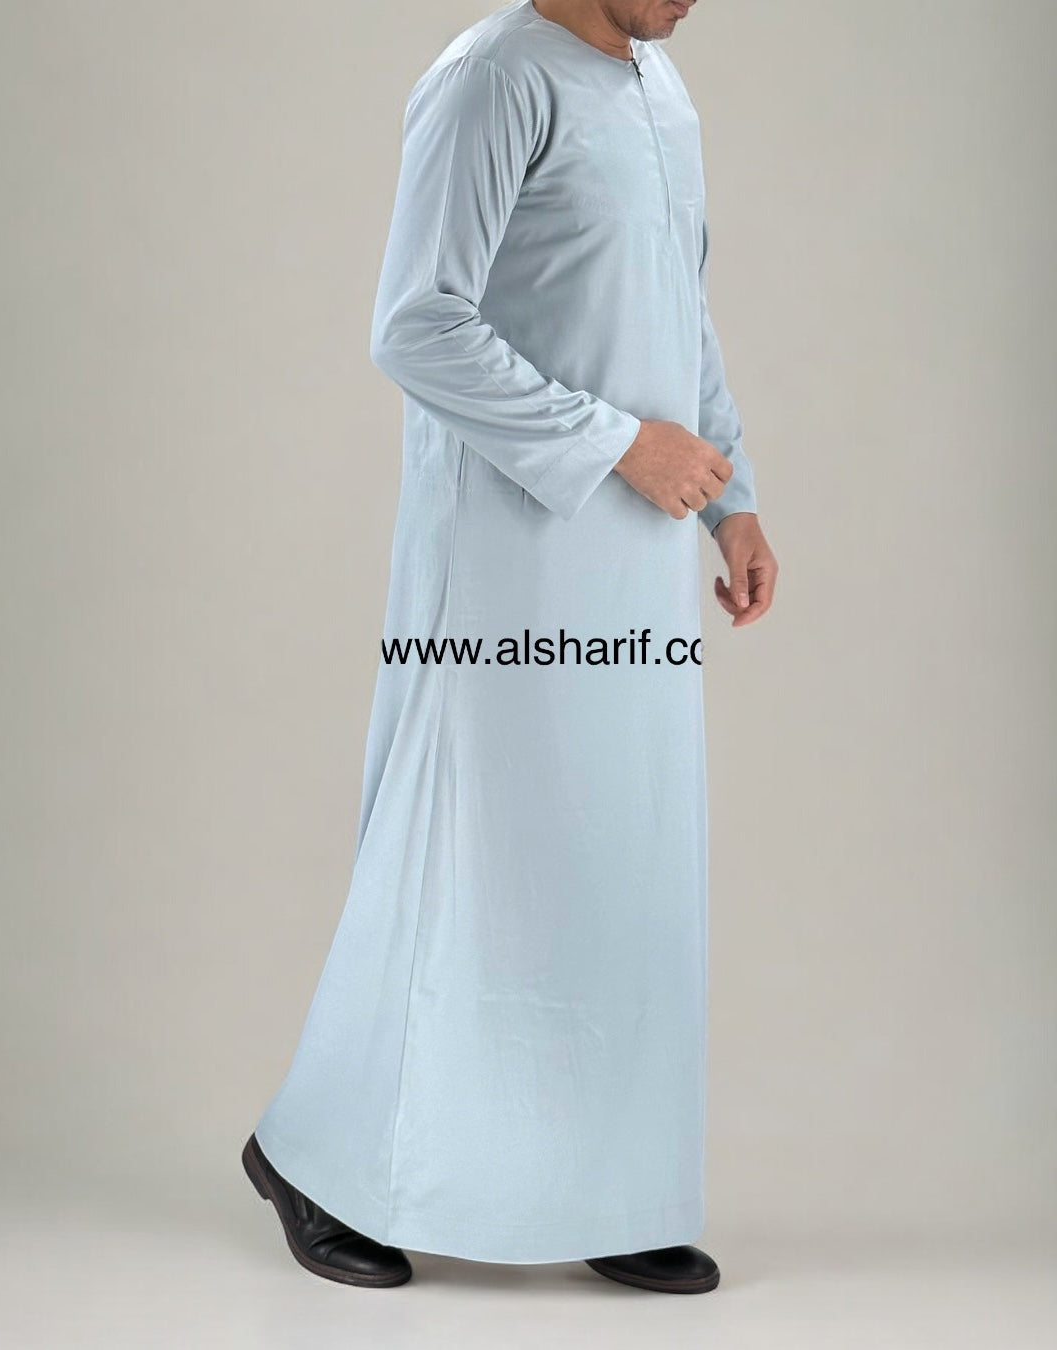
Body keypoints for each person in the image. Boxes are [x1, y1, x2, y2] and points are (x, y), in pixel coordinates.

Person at [243, 0, 778, 1294]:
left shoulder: (658, 87)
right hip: (505, 550)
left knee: (615, 856)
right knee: (464, 848)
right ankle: (318, 1156)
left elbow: (680, 307)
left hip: (640, 549)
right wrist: (619, 443)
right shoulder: (491, 80)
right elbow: (417, 323)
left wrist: (733, 497)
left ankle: (601, 1182)